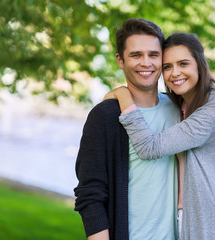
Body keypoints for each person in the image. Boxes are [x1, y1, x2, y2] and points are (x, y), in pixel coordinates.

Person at [104, 33, 215, 240]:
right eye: (167, 66)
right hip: (184, 223)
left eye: (183, 63)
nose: (175, 73)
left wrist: (123, 95)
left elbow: (148, 148)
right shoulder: (181, 106)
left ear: (199, 65)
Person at [74, 18, 180, 240]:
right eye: (135, 55)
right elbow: (90, 195)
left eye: (153, 55)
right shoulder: (104, 116)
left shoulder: (179, 110)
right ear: (120, 60)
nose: (146, 63)